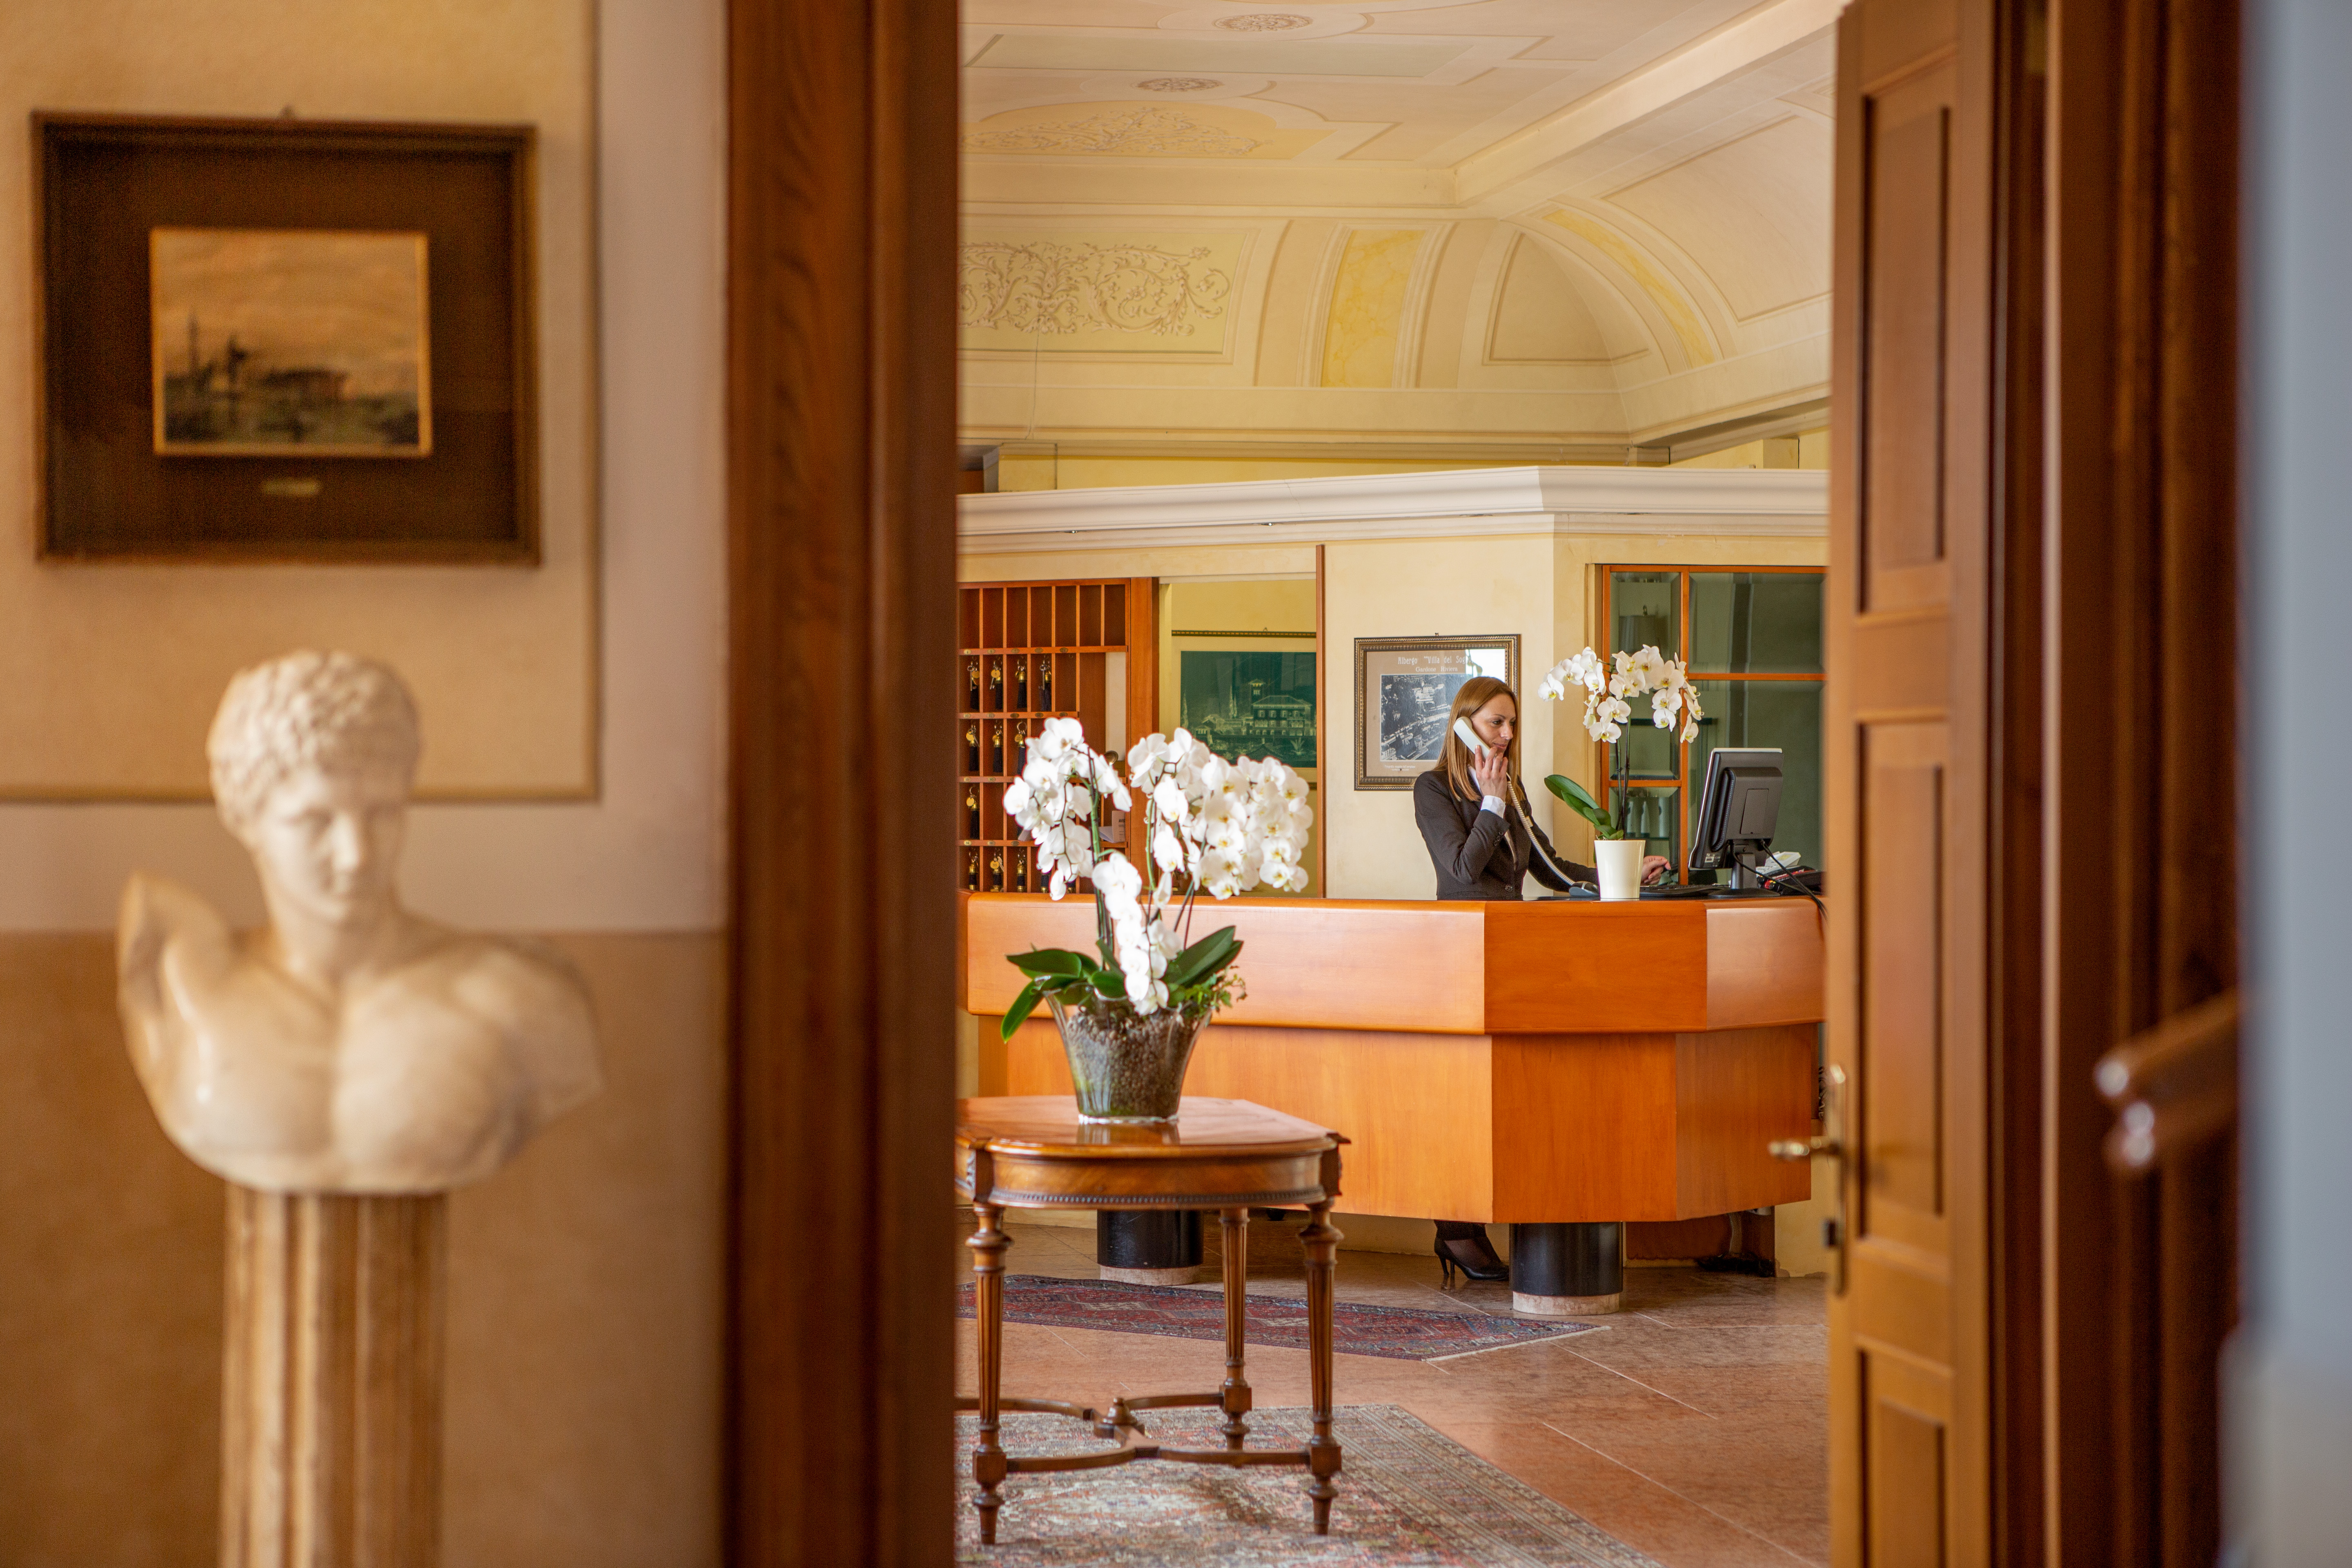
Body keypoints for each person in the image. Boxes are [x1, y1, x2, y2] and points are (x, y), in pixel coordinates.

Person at [117, 650, 602, 1193]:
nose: (357, 855)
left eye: (383, 814)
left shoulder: (515, 998)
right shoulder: (188, 986)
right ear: (243, 819)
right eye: (315, 821)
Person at [1410, 675, 1668, 1284]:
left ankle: (1482, 1225)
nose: (1506, 734)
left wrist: (1621, 874)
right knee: (1463, 1099)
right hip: (1461, 957)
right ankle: (1456, 1230)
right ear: (1464, 724)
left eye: (1512, 724)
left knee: (1508, 1098)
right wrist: (1493, 805)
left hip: (1514, 957)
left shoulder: (1515, 788)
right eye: (1495, 722)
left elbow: (1551, 870)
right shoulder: (1434, 789)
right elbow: (1462, 867)